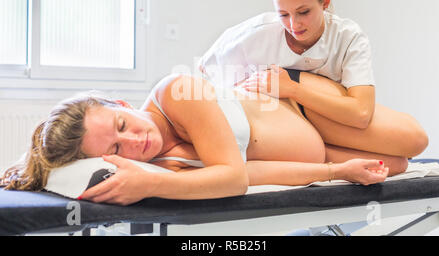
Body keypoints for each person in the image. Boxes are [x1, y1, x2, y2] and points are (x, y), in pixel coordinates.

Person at [1, 73, 401, 206]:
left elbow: (233, 179)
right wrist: (335, 170)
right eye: (115, 151)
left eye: (123, 125)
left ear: (121, 103)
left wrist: (154, 183)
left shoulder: (174, 93)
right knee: (398, 167)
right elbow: (252, 172)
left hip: (303, 107)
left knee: (414, 142)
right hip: (323, 146)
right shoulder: (165, 164)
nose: (135, 141)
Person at [198, 0, 428, 160]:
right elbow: (204, 76)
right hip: (276, 115)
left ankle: (318, 151)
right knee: (394, 162)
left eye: (303, 12)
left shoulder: (348, 37)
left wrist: (292, 89)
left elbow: (361, 113)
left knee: (409, 148)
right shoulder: (252, 35)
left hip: (317, 105)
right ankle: (317, 152)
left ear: (325, 1)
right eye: (283, 14)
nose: (293, 24)